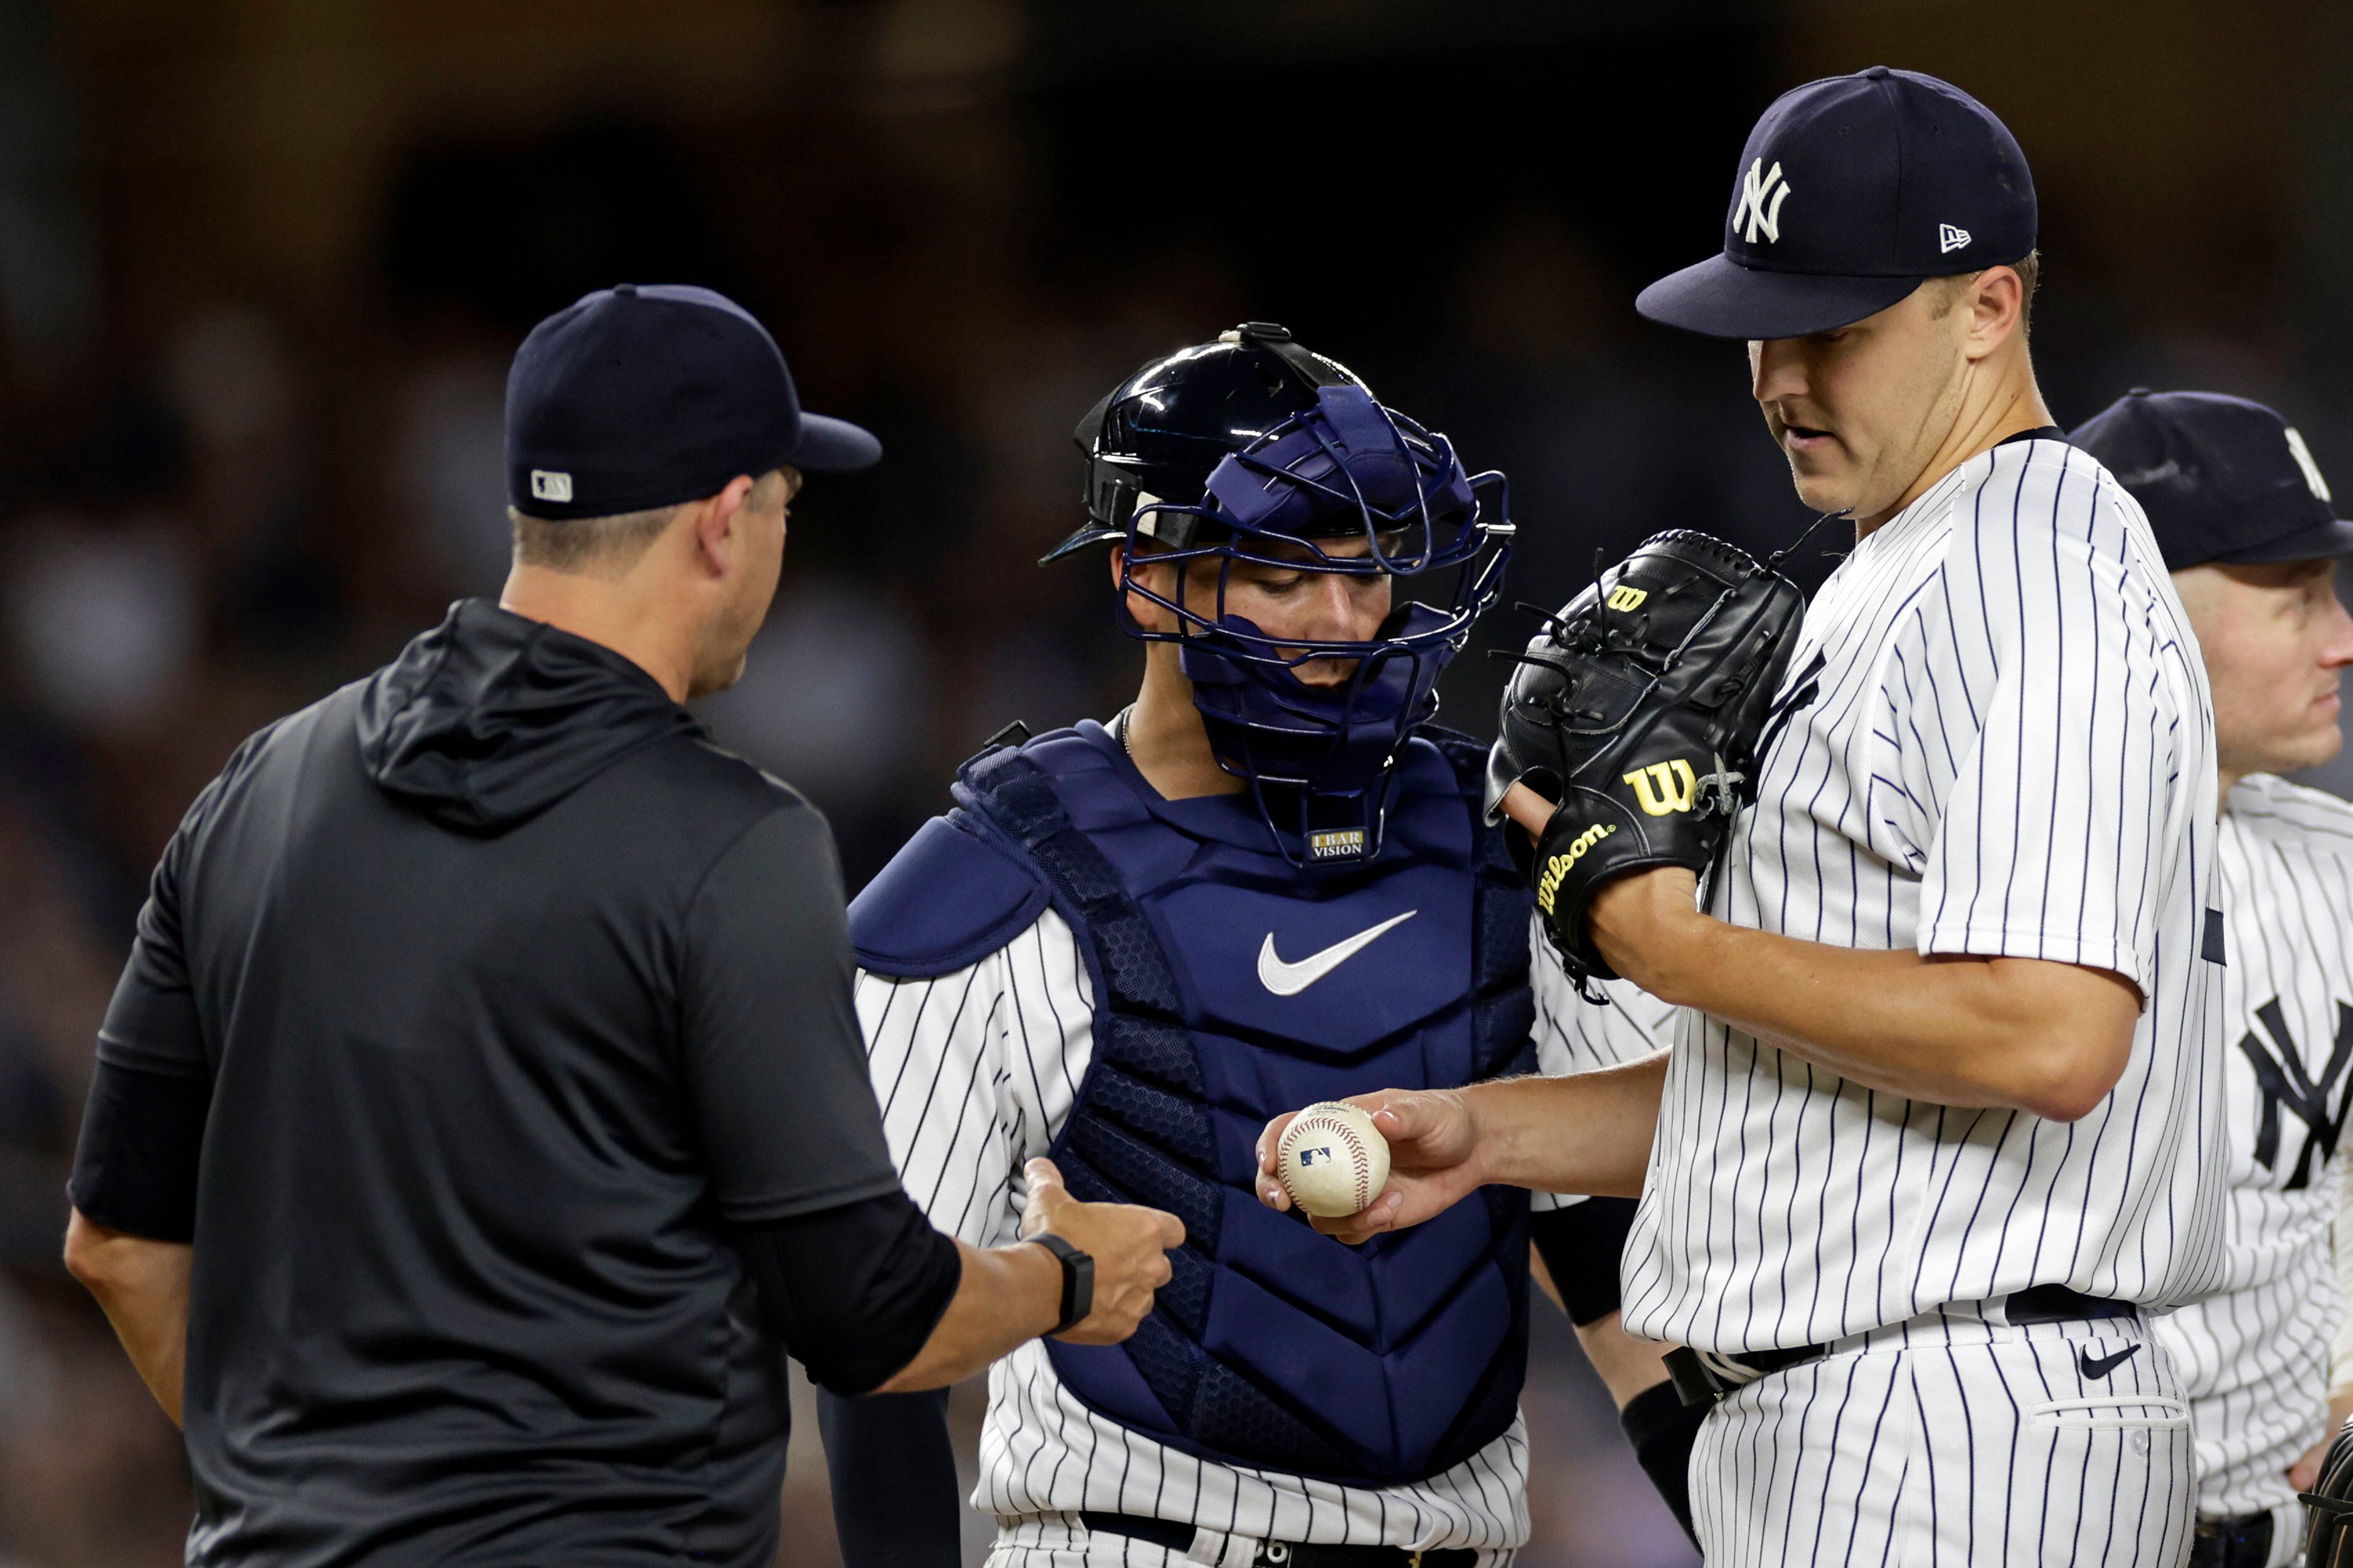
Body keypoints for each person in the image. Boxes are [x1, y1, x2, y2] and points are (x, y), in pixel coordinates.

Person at [1260, 70, 2229, 1565]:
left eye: (1831, 328)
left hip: (1964, 1423)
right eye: (1759, 326)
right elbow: (1816, 1086)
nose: (1778, 374)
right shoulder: (1902, 565)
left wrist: (1666, 942)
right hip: (1871, 1416)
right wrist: (1488, 1137)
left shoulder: (2031, 569)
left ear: (1985, 308)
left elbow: (2047, 1034)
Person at [58, 282, 1181, 1568]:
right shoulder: (728, 839)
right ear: (721, 521)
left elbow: (117, 1243)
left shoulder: (260, 787)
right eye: (783, 503)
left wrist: (304, 1497)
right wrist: (1066, 1274)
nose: (779, 543)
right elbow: (873, 1316)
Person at [816, 322, 1701, 1568]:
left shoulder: (1493, 836)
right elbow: (881, 1343)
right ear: (1142, 573)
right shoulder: (992, 877)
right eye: (1285, 570)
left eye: (1372, 565)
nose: (1345, 618)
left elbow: (1608, 1274)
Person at [2072, 389, 2353, 1568]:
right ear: (2143, 617)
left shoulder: (2337, 863)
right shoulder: (1926, 882)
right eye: (2295, 600)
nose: (2343, 637)